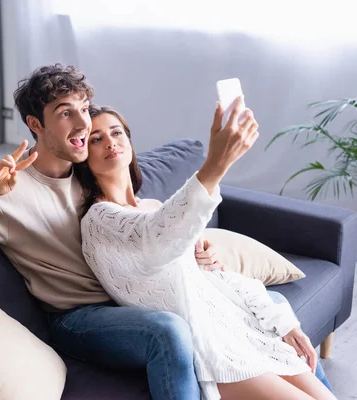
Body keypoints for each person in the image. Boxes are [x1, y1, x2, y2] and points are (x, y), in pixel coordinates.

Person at [0, 64, 332, 399]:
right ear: (34, 124)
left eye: (85, 108)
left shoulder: (92, 174)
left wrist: (195, 249)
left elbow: (153, 228)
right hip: (79, 315)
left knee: (266, 322)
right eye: (66, 113)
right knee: (168, 331)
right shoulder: (10, 189)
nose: (83, 124)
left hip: (130, 295)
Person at [76, 103, 337, 400]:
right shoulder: (99, 220)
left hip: (243, 330)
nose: (111, 142)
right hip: (214, 349)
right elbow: (155, 238)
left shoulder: (154, 208)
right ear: (84, 157)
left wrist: (284, 323)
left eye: (116, 132)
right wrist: (216, 163)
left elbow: (219, 280)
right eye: (96, 138)